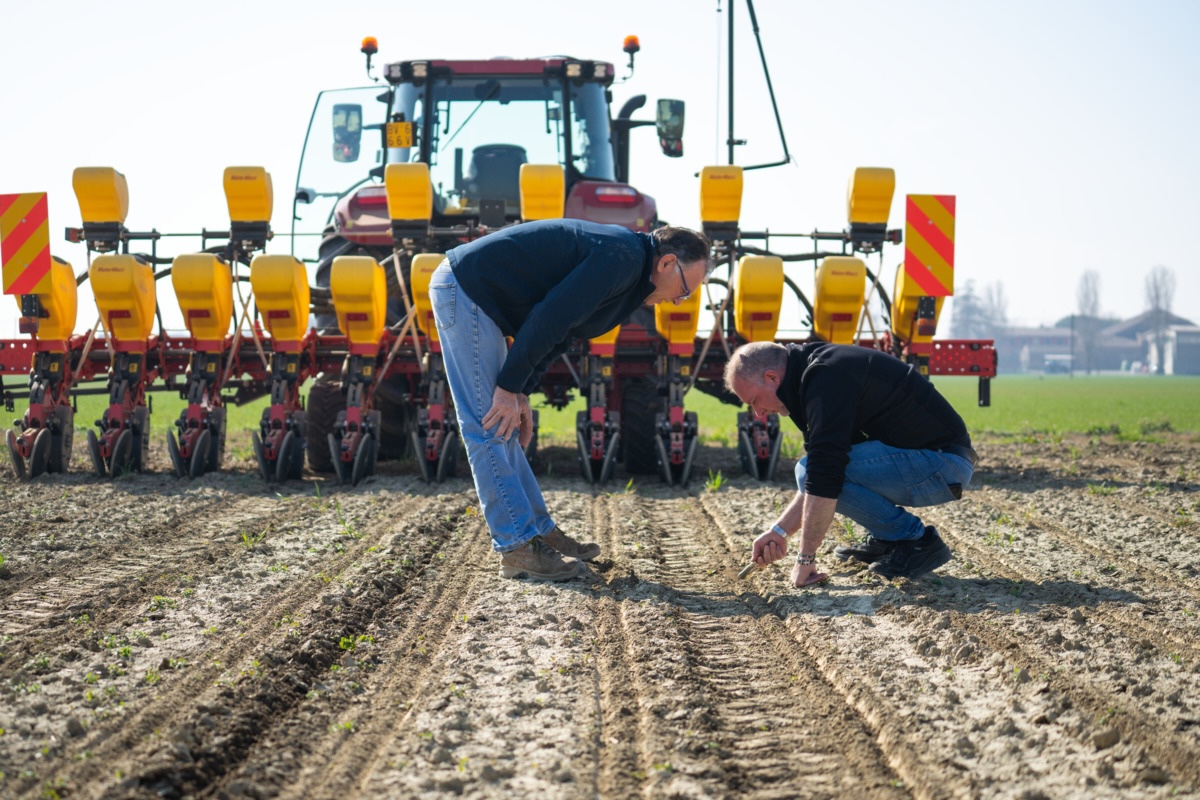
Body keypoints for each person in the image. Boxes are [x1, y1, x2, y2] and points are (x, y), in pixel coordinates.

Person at [431, 219, 713, 581]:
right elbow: (550, 317)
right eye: (686, 290)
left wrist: (519, 391)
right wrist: (508, 386)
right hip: (467, 289)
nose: (679, 300)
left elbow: (566, 333)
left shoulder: (634, 277)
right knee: (485, 425)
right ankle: (517, 546)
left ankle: (536, 530)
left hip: (484, 299)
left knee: (501, 420)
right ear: (667, 263)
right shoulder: (621, 258)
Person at [723, 340, 977, 586]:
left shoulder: (825, 378)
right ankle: (890, 539)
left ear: (771, 378)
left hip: (942, 464)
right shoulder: (808, 377)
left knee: (814, 469)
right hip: (929, 462)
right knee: (813, 469)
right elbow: (818, 477)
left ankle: (917, 541)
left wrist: (805, 559)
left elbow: (825, 474)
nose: (759, 413)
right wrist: (778, 533)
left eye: (754, 401)